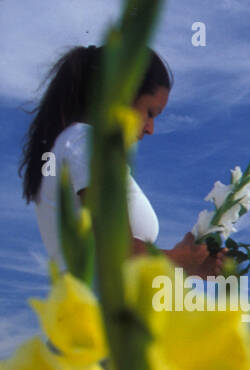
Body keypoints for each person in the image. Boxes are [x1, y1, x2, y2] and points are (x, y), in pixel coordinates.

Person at [19, 44, 222, 276]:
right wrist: (179, 259)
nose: (151, 129)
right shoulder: (85, 143)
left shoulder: (79, 145)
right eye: (149, 113)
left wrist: (189, 265)